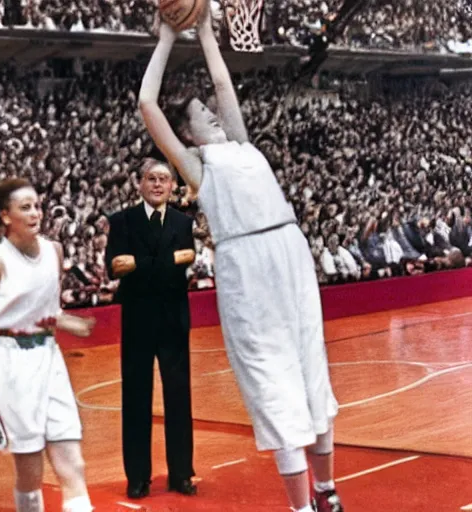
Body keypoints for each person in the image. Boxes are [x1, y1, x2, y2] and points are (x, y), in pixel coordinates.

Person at [138, 11, 343, 512]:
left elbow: (223, 80)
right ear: (187, 135)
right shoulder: (197, 165)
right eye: (200, 114)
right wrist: (168, 36)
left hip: (289, 252)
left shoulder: (243, 144)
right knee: (273, 385)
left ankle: (327, 492)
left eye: (211, 109)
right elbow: (147, 103)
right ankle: (301, 508)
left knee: (310, 372)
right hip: (245, 265)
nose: (211, 112)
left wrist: (206, 30)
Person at [0, 178, 95, 512]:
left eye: (37, 205)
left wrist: (72, 323)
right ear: (6, 216)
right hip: (11, 364)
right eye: (26, 207)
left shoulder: (54, 251)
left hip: (49, 357)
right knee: (31, 471)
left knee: (73, 463)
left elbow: (50, 311)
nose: (36, 212)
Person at [104, 158, 197, 499]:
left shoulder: (183, 223)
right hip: (138, 321)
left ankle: (182, 473)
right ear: (139, 184)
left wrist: (139, 265)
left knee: (178, 398)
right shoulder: (121, 221)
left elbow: (136, 267)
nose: (158, 184)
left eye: (164, 179)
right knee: (136, 399)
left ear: (172, 186)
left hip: (173, 323)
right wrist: (169, 262)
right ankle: (138, 477)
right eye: (151, 178)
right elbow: (115, 267)